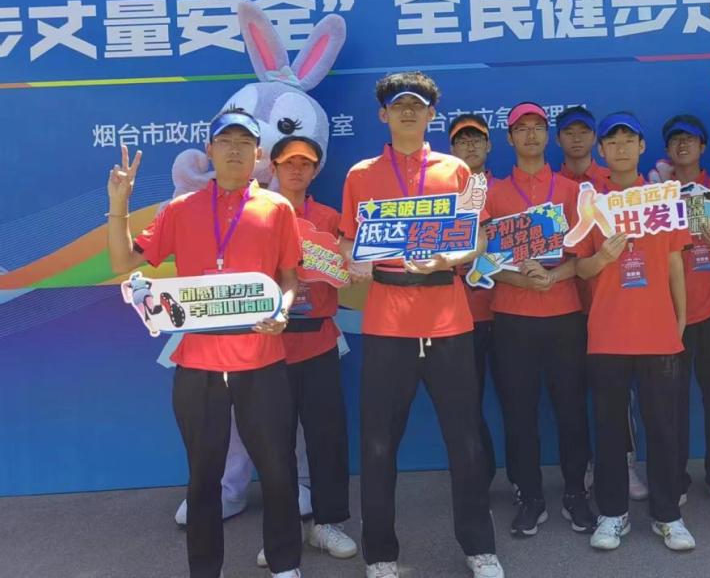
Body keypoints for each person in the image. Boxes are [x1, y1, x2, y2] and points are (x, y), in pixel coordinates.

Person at [107, 109, 302, 578]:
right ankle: (205, 568)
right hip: (198, 365)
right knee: (203, 474)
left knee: (278, 469)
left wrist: (283, 309)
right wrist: (119, 203)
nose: (235, 149)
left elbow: (289, 278)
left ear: (258, 154)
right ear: (209, 150)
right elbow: (122, 261)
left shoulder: (277, 209)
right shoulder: (180, 209)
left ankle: (285, 564)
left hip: (261, 360)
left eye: (244, 142)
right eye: (225, 141)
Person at [338, 72, 502, 578]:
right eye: (397, 105)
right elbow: (346, 240)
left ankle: (480, 546)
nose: (407, 112)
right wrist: (354, 258)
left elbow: (479, 239)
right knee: (379, 445)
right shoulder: (360, 175)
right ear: (382, 114)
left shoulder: (459, 172)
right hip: (387, 322)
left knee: (465, 441)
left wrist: (449, 258)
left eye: (417, 105)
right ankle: (380, 554)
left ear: (432, 114)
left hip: (449, 319)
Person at [573, 112, 694, 552]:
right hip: (607, 334)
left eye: (629, 140)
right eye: (612, 141)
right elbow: (580, 268)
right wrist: (603, 258)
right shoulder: (591, 202)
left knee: (663, 427)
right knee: (609, 430)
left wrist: (680, 318)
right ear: (601, 150)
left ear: (642, 148)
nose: (621, 148)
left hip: (659, 333)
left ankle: (668, 515)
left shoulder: (664, 198)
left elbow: (676, 261)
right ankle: (613, 514)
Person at [486, 102, 596, 537]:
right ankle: (529, 495)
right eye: (521, 129)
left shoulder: (570, 191)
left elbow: (583, 256)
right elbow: (482, 261)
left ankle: (576, 493)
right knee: (518, 412)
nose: (530, 135)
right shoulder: (493, 193)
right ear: (510, 138)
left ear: (547, 136)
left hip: (564, 314)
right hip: (512, 318)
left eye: (537, 127)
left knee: (571, 409)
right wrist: (520, 280)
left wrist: (552, 278)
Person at [251, 136, 357, 567]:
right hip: (268, 347)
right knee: (274, 445)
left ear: (315, 171)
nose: (297, 170)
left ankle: (327, 523)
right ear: (273, 167)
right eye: (288, 162)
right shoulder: (255, 214)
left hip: (318, 343)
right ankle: (281, 533)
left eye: (305, 163)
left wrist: (349, 269)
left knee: (326, 437)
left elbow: (351, 267)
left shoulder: (331, 218)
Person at [555, 105, 648, 501]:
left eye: (584, 131)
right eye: (569, 132)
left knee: (619, 396)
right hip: (564, 307)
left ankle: (624, 465)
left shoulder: (611, 183)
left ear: (596, 140)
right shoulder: (555, 186)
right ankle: (585, 470)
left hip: (612, 309)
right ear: (559, 139)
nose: (576, 138)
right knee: (573, 395)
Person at [657, 115, 710, 510]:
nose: (683, 146)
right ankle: (674, 479)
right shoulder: (657, 195)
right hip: (669, 313)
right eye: (675, 140)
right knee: (672, 403)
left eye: (690, 139)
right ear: (667, 149)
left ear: (702, 147)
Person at [449, 114, 501, 485]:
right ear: (451, 149)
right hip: (461, 318)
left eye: (476, 139)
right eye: (462, 140)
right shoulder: (442, 196)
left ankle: (522, 484)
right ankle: (478, 479)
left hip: (508, 312)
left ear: (489, 145)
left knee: (518, 403)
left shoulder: (507, 190)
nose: (470, 146)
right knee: (466, 402)